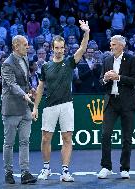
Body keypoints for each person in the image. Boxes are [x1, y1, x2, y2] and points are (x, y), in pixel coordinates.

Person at [32, 20, 90, 182]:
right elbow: (40, 88)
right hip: (49, 106)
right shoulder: (45, 66)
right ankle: (46, 168)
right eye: (56, 48)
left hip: (66, 105)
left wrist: (86, 32)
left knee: (67, 138)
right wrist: (35, 107)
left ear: (64, 49)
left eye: (61, 48)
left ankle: (65, 171)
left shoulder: (70, 62)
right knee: (45, 139)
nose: (58, 50)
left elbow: (83, 48)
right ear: (52, 48)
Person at [97, 35, 135, 179]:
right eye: (111, 44)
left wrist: (118, 77)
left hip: (127, 103)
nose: (111, 47)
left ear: (122, 46)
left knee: (127, 137)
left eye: (114, 44)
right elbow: (100, 82)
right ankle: (106, 167)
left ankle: (125, 168)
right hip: (111, 102)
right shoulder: (107, 60)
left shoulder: (132, 59)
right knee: (105, 134)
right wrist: (105, 78)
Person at [1, 35, 37, 185]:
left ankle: (25, 172)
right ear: (16, 46)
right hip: (11, 108)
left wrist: (30, 90)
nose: (27, 47)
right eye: (25, 45)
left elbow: (24, 82)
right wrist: (25, 95)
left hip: (25, 108)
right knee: (9, 143)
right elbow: (11, 84)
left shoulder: (25, 59)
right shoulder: (7, 64)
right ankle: (8, 172)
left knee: (25, 141)